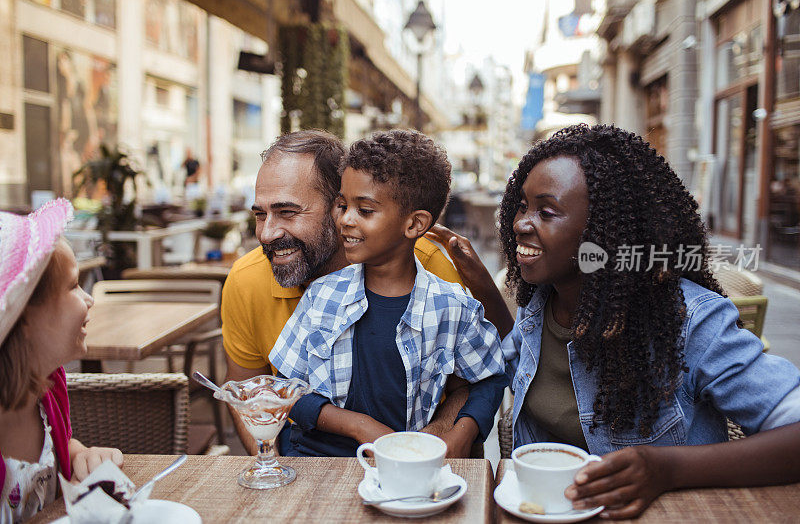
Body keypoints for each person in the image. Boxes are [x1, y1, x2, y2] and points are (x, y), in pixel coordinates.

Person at [444, 124, 800, 519]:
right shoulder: (542, 304)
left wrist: (667, 470)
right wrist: (481, 284)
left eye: (546, 211)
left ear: (605, 233)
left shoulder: (688, 321)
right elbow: (519, 361)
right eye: (522, 206)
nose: (520, 223)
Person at [221, 130, 509, 457]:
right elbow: (277, 390)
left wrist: (450, 438)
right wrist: (278, 475)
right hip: (315, 466)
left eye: (288, 212)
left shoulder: (439, 283)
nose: (267, 233)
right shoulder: (307, 293)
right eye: (260, 214)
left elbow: (483, 374)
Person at [0, 199, 123, 522]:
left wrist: (82, 454)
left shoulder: (47, 387)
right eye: (73, 286)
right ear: (23, 317)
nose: (89, 299)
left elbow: (58, 448)